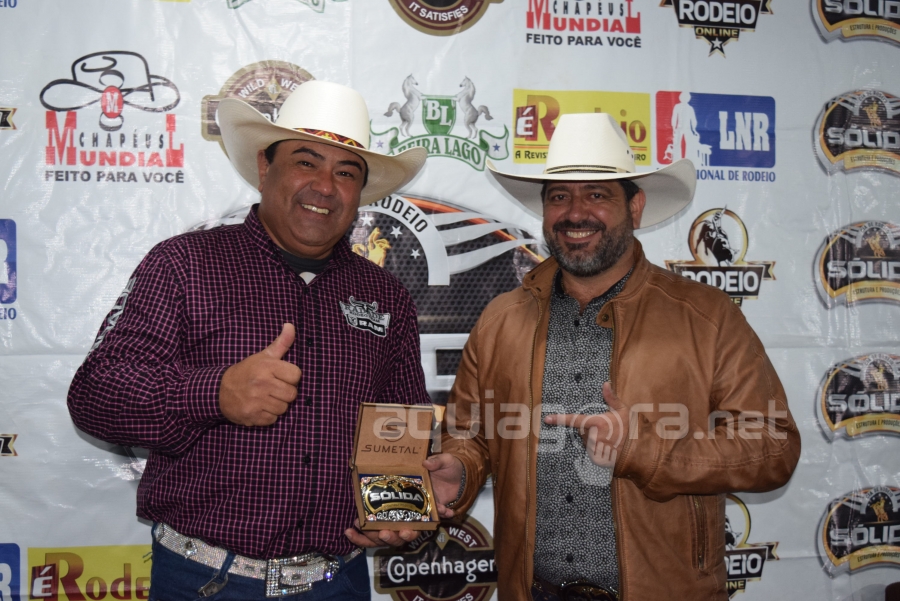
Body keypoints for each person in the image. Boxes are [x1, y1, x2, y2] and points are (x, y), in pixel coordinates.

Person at [68, 80, 431, 601]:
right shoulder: (183, 264)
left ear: (360, 192)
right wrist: (214, 394)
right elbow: (94, 396)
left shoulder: (386, 294)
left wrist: (397, 509)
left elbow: (400, 423)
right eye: (306, 162)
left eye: (346, 172)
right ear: (265, 166)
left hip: (339, 582)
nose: (325, 186)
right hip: (205, 582)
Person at [423, 113, 801, 600]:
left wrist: (647, 451)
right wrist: (461, 470)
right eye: (559, 196)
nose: (575, 213)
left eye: (597, 195)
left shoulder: (705, 317)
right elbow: (470, 435)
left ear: (635, 207)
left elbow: (773, 445)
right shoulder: (501, 319)